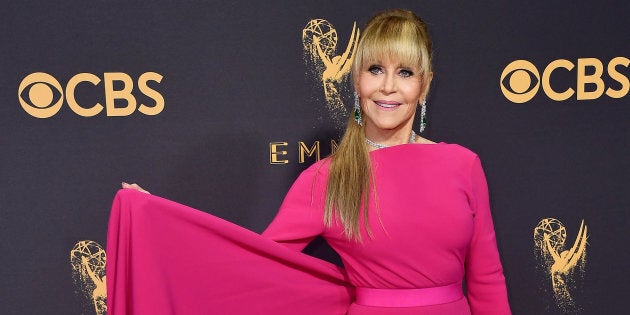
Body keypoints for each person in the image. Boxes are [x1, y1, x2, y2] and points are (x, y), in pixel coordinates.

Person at [112, 9, 510, 315]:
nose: (388, 86)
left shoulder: (462, 165)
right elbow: (250, 264)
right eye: (375, 70)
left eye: (404, 72)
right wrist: (157, 221)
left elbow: (487, 279)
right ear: (357, 81)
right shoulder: (327, 178)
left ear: (424, 84)